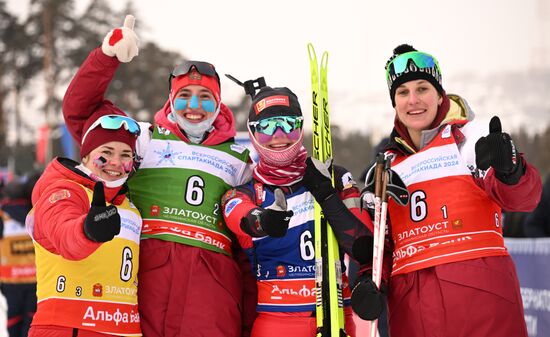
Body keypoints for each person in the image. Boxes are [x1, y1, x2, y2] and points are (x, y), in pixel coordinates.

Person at [62, 15, 255, 337]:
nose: (194, 106)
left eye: (205, 97)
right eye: (184, 95)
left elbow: (251, 239)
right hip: (144, 273)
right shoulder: (142, 138)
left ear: (219, 102)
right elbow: (82, 115)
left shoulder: (241, 157)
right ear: (170, 99)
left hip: (211, 286)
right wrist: (106, 57)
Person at [351, 44, 542, 337]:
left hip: (482, 309)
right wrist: (367, 281)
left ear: (440, 93)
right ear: (394, 103)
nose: (413, 100)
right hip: (414, 315)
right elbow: (379, 248)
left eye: (422, 88)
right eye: (403, 93)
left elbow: (524, 199)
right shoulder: (386, 166)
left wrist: (511, 171)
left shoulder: (468, 140)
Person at [221, 86, 374, 337]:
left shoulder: (333, 177)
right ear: (252, 133)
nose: (279, 135)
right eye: (267, 127)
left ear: (301, 128)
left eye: (288, 124)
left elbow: (363, 248)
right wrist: (264, 220)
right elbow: (238, 214)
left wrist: (326, 196)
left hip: (336, 317)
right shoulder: (247, 192)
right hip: (276, 321)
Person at [26, 106, 142, 336]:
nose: (116, 162)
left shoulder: (129, 206)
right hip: (69, 327)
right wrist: (87, 230)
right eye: (105, 153)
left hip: (124, 327)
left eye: (125, 155)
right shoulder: (64, 190)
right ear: (86, 155)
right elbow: (64, 235)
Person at [0, 174, 39, 337]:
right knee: (31, 320)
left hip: (10, 280)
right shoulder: (35, 214)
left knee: (14, 319)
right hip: (35, 278)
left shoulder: (3, 216)